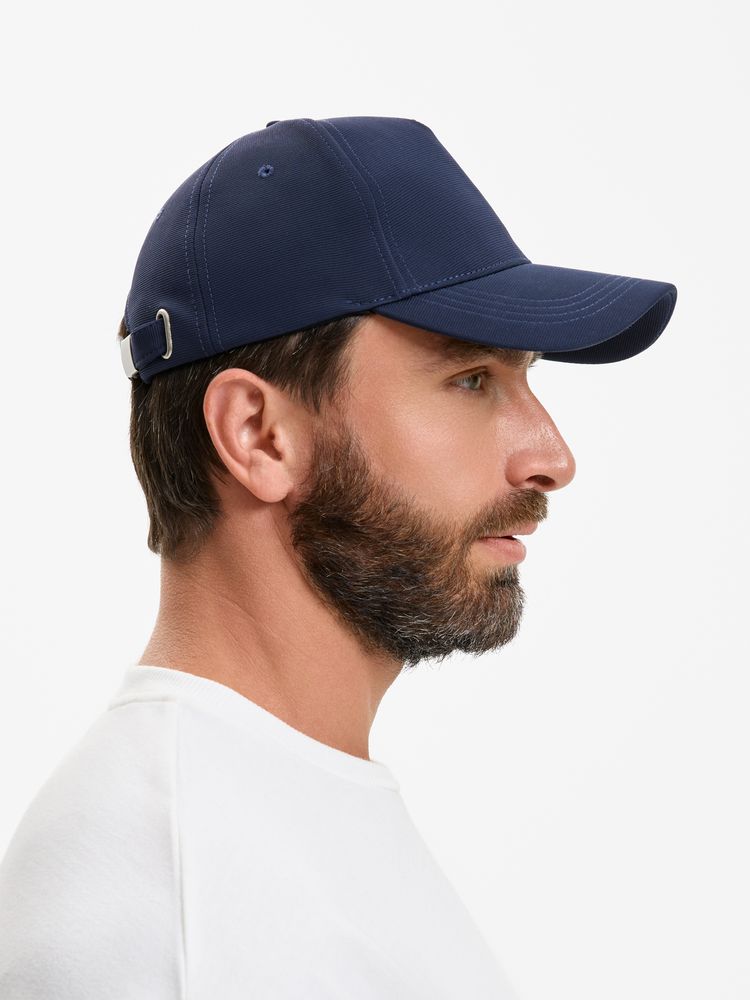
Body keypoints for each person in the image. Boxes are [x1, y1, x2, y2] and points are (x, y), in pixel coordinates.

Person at [0, 116, 677, 998]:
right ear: (258, 434)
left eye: (526, 377)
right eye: (471, 379)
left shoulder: (268, 809)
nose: (552, 456)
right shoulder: (177, 903)